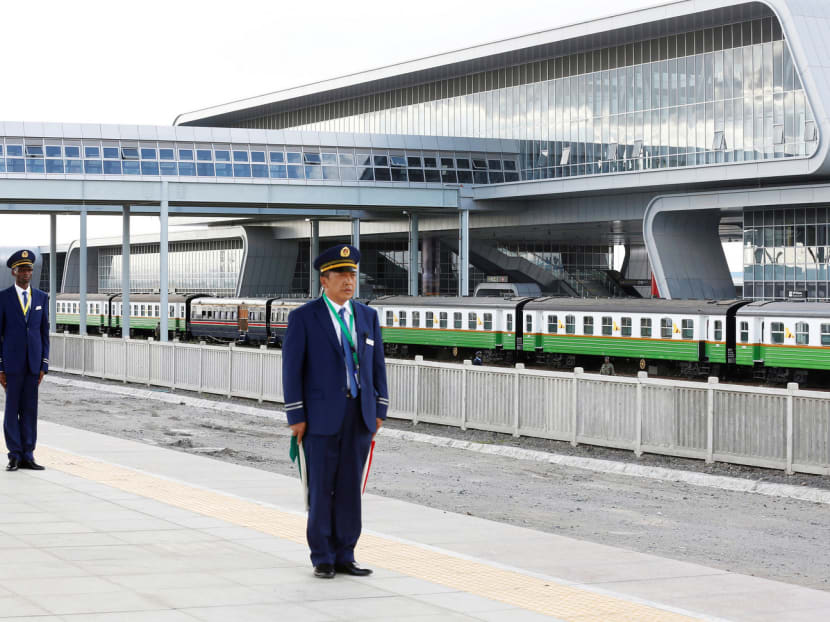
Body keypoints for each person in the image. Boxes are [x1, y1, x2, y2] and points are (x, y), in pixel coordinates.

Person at [282, 244, 389, 579]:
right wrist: (296, 416)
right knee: (322, 487)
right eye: (341, 274)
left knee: (349, 489)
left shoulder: (367, 317)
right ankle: (323, 557)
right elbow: (291, 369)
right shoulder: (304, 317)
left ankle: (346, 554)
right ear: (323, 280)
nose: (349, 281)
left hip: (359, 415)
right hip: (319, 418)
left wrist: (380, 407)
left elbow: (378, 365)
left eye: (352, 274)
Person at [1, 250, 49, 472]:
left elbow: (44, 332)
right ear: (14, 272)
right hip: (12, 364)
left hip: (33, 365)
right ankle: (14, 455)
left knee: (30, 410)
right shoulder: (3, 297)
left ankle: (28, 454)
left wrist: (44, 364)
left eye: (29, 269)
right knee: (12, 410)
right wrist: (0, 366)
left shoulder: (41, 297)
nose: (26, 273)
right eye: (22, 269)